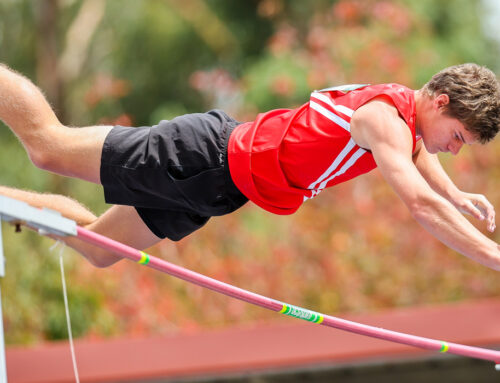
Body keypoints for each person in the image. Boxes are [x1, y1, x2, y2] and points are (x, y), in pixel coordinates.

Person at [1, 63, 499, 271]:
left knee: (97, 250)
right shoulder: (383, 120)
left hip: (217, 189)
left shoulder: (407, 122)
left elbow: (420, 155)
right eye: (457, 137)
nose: (453, 150)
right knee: (49, 147)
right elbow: (418, 203)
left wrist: (455, 194)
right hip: (200, 155)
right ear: (440, 101)